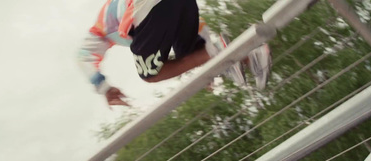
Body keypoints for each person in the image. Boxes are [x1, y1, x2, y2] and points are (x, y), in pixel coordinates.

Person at [78, 0, 271, 107]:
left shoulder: (99, 30)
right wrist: (211, 67)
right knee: (186, 52)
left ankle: (220, 52)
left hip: (147, 7)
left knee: (150, 73)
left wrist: (104, 88)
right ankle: (252, 57)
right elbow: (195, 28)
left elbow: (83, 56)